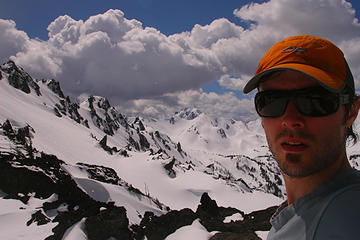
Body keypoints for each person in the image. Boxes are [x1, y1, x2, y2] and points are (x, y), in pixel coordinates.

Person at [243, 34, 360, 239]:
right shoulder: (302, 216)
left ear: (351, 111)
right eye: (270, 101)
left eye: (314, 100)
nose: (289, 119)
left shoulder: (344, 223)